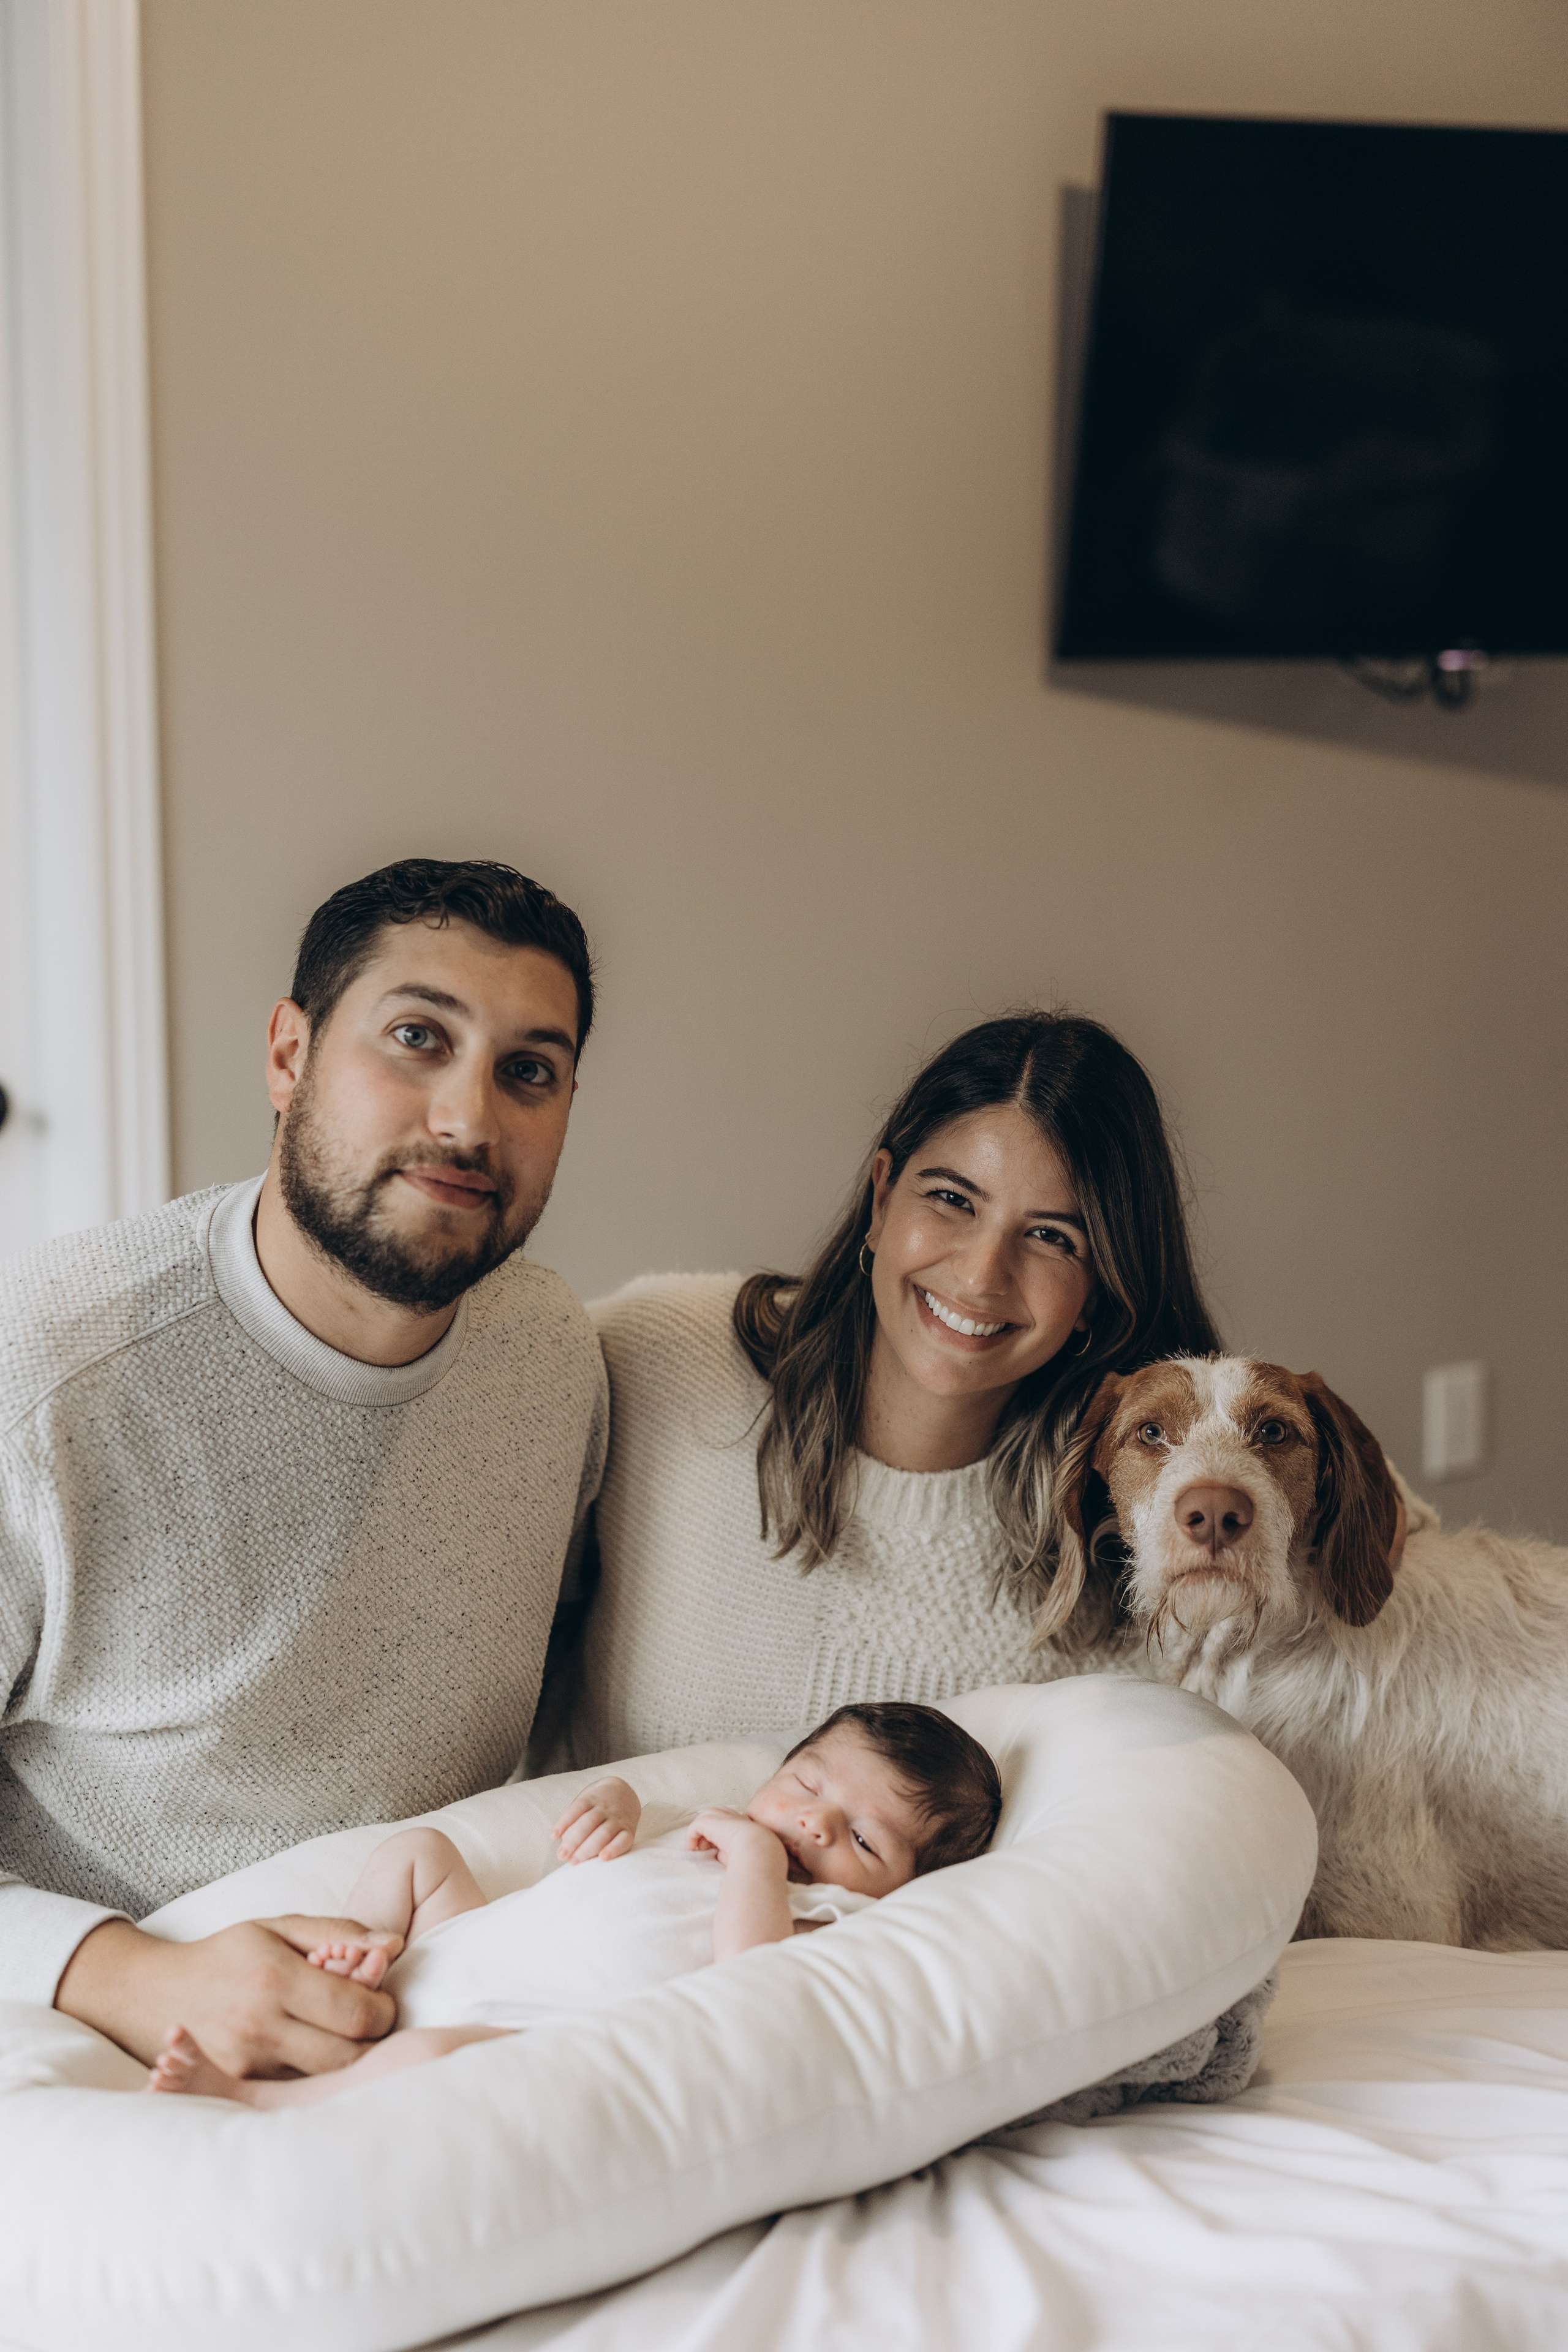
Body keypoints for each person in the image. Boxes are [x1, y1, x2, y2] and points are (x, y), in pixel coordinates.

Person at [0, 858, 608, 2080]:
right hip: (105, 2032)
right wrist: (138, 1976)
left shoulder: (553, 1359)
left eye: (526, 1072)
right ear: (289, 1056)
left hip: (431, 2002)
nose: (467, 1120)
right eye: (416, 1038)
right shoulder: (49, 1374)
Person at [548, 1011, 1220, 1766]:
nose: (978, 1276)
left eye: (1051, 1238)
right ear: (880, 1197)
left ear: (1099, 1290)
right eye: (952, 1200)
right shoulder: (657, 1357)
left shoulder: (1138, 1550)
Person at [142, 1702, 1003, 2109]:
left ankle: (257, 2104)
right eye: (809, 1785)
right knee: (419, 1854)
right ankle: (363, 1951)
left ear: (901, 1890)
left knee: (438, 2054)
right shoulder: (718, 1821)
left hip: (517, 2027)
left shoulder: (818, 1914)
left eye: (862, 1841)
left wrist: (753, 1863)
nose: (815, 1822)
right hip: (459, 1947)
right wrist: (619, 1804)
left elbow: (750, 1980)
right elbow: (639, 1812)